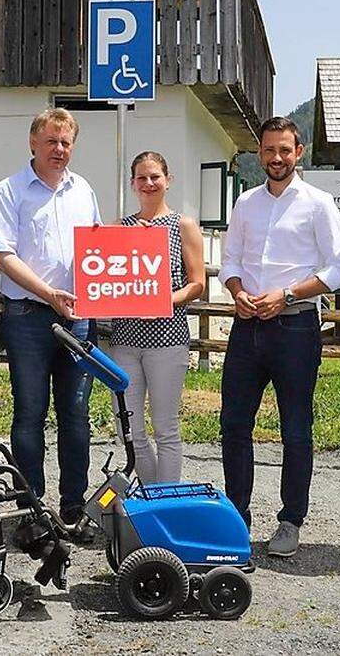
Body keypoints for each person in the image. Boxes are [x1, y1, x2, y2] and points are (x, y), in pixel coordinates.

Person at [218, 116, 340, 558]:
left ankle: (291, 520)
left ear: (300, 152)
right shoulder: (246, 204)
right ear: (260, 153)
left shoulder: (318, 203)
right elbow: (231, 259)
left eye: (285, 150)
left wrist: (288, 293)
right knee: (234, 424)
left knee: (296, 429)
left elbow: (338, 268)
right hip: (247, 325)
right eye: (269, 150)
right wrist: (237, 292)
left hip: (295, 325)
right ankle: (236, 517)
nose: (277, 158)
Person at [0, 107, 101, 531]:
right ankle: (31, 507)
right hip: (27, 317)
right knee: (29, 413)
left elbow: (97, 251)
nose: (59, 149)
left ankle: (73, 507)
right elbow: (1, 254)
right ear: (33, 143)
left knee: (76, 414)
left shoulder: (83, 190)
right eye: (51, 141)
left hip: (77, 320)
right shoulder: (10, 190)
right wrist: (48, 293)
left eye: (66, 142)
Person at [108, 151, 205, 485]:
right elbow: (108, 280)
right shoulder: (120, 227)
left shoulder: (183, 225)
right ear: (133, 183)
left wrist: (164, 301)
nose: (149, 183)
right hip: (125, 340)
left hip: (167, 339)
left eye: (155, 177)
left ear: (168, 179)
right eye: (142, 178)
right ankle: (152, 493)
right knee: (129, 429)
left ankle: (167, 500)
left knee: (165, 427)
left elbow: (197, 284)